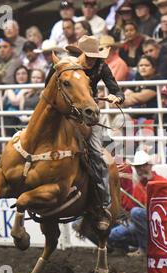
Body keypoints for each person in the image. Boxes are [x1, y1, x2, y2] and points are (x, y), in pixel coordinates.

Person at [65, 35, 125, 230]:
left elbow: (117, 90)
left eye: (94, 56)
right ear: (81, 53)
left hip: (88, 116)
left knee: (98, 157)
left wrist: (116, 97)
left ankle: (103, 206)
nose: (91, 60)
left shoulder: (101, 66)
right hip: (66, 112)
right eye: (88, 56)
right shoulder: (68, 65)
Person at [109, 150, 167, 256]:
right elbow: (132, 210)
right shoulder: (138, 186)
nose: (140, 169)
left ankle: (144, 249)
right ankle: (141, 246)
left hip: (160, 223)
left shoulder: (162, 182)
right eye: (138, 166)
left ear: (149, 166)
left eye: (143, 165)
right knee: (114, 234)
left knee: (136, 212)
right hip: (144, 224)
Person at [123, 55, 161, 121]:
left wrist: (131, 96)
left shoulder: (157, 79)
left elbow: (141, 98)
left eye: (147, 65)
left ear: (154, 68)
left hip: (151, 116)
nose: (143, 68)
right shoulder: (138, 78)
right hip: (135, 114)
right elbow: (124, 96)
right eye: (141, 65)